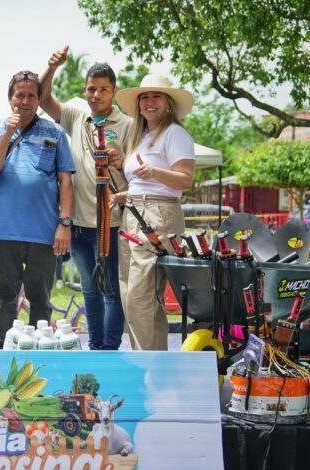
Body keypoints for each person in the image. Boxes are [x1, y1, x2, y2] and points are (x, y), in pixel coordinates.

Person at [39, 46, 132, 350]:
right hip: (78, 225)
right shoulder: (77, 116)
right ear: (85, 89)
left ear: (114, 91)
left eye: (104, 89)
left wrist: (122, 163)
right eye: (92, 89)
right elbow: (42, 98)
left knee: (112, 292)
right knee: (90, 290)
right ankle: (95, 347)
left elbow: (139, 175)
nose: (96, 95)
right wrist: (52, 67)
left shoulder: (129, 125)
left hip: (112, 225)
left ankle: (109, 349)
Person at [0, 71, 75, 341]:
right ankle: (4, 351)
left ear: (38, 99)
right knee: (5, 299)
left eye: (31, 95)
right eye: (19, 95)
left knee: (41, 299)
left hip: (44, 233)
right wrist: (9, 133)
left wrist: (64, 225)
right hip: (4, 232)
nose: (24, 101)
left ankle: (38, 352)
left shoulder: (55, 132)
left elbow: (66, 183)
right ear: (10, 98)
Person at [111, 74, 196, 351]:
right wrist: (122, 196)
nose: (149, 102)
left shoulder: (175, 133)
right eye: (144, 97)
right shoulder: (142, 136)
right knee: (132, 294)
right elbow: (142, 184)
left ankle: (149, 366)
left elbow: (184, 180)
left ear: (168, 103)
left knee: (140, 296)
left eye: (156, 96)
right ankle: (153, 363)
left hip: (157, 215)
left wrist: (155, 171)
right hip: (135, 212)